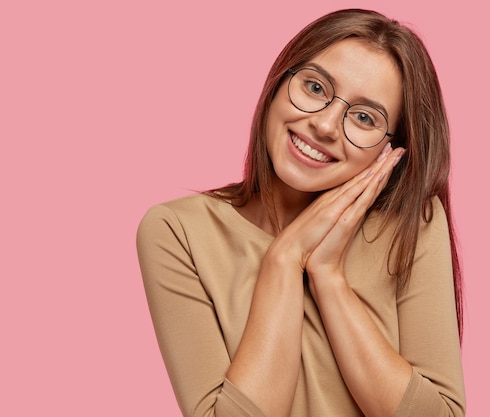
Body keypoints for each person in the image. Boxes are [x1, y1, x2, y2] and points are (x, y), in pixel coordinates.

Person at [136, 8, 465, 417]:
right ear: (278, 82)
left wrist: (328, 277)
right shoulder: (178, 231)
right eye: (314, 87)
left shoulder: (410, 225)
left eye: (364, 118)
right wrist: (285, 257)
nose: (325, 125)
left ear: (390, 148)